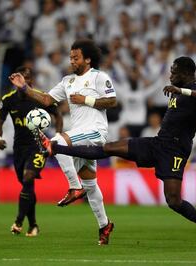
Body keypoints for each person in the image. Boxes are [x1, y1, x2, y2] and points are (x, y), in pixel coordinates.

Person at [40, 56, 196, 248]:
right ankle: (56, 147)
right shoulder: (176, 90)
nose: (170, 75)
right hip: (158, 143)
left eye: (174, 72)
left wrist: (181, 90)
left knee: (174, 201)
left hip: (176, 151)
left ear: (186, 73)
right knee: (109, 148)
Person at [9, 39, 117, 245]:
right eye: (71, 57)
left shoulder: (99, 77)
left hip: (95, 132)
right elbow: (47, 100)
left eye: (76, 58)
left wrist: (87, 100)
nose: (72, 61)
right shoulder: (67, 81)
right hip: (79, 134)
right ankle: (104, 226)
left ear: (88, 59)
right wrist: (24, 88)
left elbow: (112, 101)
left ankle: (73, 187)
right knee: (91, 184)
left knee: (57, 141)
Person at [0, 66, 63, 236]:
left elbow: (58, 115)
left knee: (28, 177)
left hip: (38, 147)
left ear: (30, 81)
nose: (25, 81)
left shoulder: (41, 97)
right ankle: (33, 225)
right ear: (15, 80)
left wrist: (57, 136)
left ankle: (18, 222)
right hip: (19, 149)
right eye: (22, 77)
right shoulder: (8, 99)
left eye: (28, 78)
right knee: (27, 185)